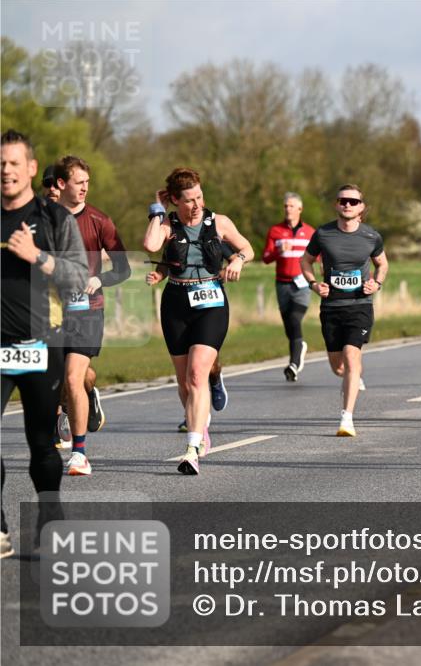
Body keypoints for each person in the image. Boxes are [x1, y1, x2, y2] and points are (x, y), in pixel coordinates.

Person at [1, 130, 88, 557]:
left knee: (40, 441)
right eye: (1, 163)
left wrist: (37, 256)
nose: (6, 170)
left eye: (15, 163)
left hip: (41, 343)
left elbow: (79, 277)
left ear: (32, 169)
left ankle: (49, 521)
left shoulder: (55, 220)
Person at [143, 168, 253, 475]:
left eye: (200, 197)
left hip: (211, 302)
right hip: (176, 303)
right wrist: (157, 210)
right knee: (184, 382)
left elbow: (247, 248)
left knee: (195, 375)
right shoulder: (167, 222)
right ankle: (201, 425)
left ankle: (192, 448)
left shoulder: (219, 222)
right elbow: (152, 246)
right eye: (189, 200)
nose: (196, 204)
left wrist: (238, 261)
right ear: (175, 200)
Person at [53, 155, 131, 476]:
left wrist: (100, 279)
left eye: (88, 182)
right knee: (64, 379)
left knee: (71, 376)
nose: (85, 188)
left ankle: (79, 453)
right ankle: (88, 393)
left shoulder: (100, 221)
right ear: (61, 184)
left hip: (88, 310)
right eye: (78, 182)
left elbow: (123, 268)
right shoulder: (44, 220)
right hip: (51, 312)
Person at [300, 184, 388, 438]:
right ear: (337, 205)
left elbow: (382, 263)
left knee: (352, 357)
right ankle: (353, 374)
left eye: (352, 201)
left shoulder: (371, 236)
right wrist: (314, 284)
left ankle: (346, 418)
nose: (347, 205)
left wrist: (377, 283)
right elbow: (305, 260)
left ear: (362, 207)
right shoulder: (323, 234)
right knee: (338, 366)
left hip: (359, 305)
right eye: (342, 201)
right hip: (331, 308)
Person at [262, 192, 316, 381]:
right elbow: (266, 258)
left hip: (302, 284)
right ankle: (296, 357)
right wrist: (278, 251)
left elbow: (319, 257)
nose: (287, 209)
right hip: (282, 285)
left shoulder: (310, 232)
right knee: (289, 327)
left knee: (295, 319)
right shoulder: (275, 230)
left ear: (300, 209)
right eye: (285, 206)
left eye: (291, 206)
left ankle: (294, 363)